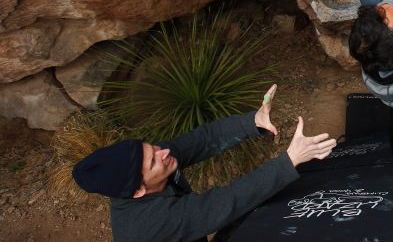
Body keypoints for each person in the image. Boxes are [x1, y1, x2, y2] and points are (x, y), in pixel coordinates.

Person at [72, 84, 336, 242]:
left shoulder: (152, 164)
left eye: (152, 147)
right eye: (154, 160)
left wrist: (251, 121)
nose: (163, 152)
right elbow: (224, 203)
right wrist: (290, 160)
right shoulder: (149, 224)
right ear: (138, 191)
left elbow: (202, 140)